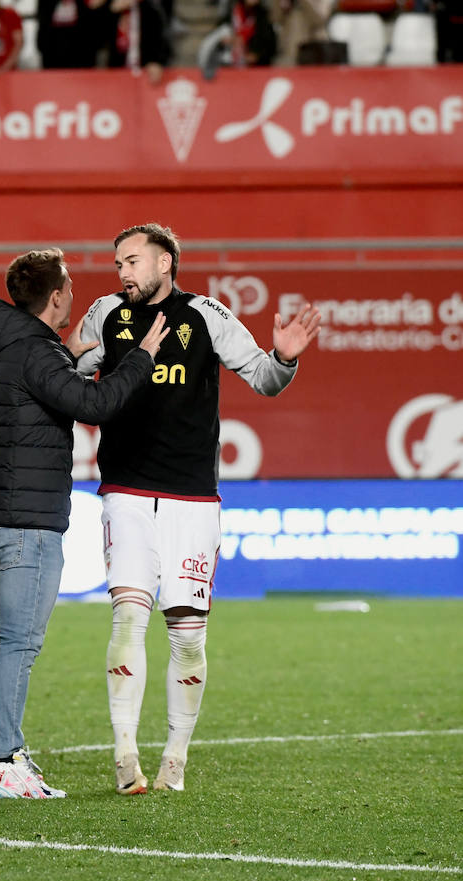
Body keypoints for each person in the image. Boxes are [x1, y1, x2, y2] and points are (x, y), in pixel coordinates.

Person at [70, 223, 321, 795]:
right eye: (118, 264)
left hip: (192, 497)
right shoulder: (105, 313)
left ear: (165, 262)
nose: (123, 273)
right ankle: (125, 754)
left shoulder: (207, 315)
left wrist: (283, 357)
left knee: (187, 634)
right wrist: (74, 359)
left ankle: (175, 760)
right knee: (128, 615)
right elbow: (74, 378)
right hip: (126, 490)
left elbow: (263, 378)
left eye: (132, 261)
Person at [0, 248, 165, 800]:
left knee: (13, 642)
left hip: (12, 511)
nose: (74, 292)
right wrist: (142, 357)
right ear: (56, 297)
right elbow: (94, 404)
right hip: (25, 517)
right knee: (20, 644)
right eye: (69, 284)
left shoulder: (18, 347)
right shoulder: (33, 351)